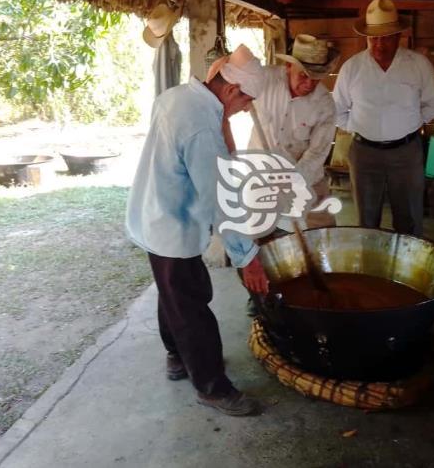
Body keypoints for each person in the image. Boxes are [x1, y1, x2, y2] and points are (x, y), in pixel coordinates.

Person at [126, 45, 269, 417]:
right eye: (247, 101)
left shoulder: (176, 96)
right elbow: (221, 199)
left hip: (155, 212)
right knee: (191, 304)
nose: (246, 109)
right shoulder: (202, 126)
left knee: (171, 293)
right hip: (172, 223)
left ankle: (176, 356)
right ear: (232, 91)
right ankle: (212, 387)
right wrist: (247, 257)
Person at [241, 34, 338, 316]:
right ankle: (259, 296)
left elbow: (317, 153)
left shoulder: (324, 105)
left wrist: (292, 181)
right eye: (303, 76)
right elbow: (227, 81)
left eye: (316, 78)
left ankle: (316, 292)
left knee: (319, 233)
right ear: (288, 67)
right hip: (260, 173)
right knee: (259, 238)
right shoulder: (263, 81)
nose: (308, 84)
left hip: (306, 176)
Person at [333, 0, 434, 236]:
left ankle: (406, 269)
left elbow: (433, 104)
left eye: (386, 37)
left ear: (398, 36)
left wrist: (408, 124)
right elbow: (337, 109)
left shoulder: (418, 65)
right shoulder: (352, 68)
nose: (379, 44)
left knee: (409, 220)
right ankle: (373, 269)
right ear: (367, 38)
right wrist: (361, 128)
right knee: (367, 221)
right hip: (364, 153)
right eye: (374, 38)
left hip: (406, 152)